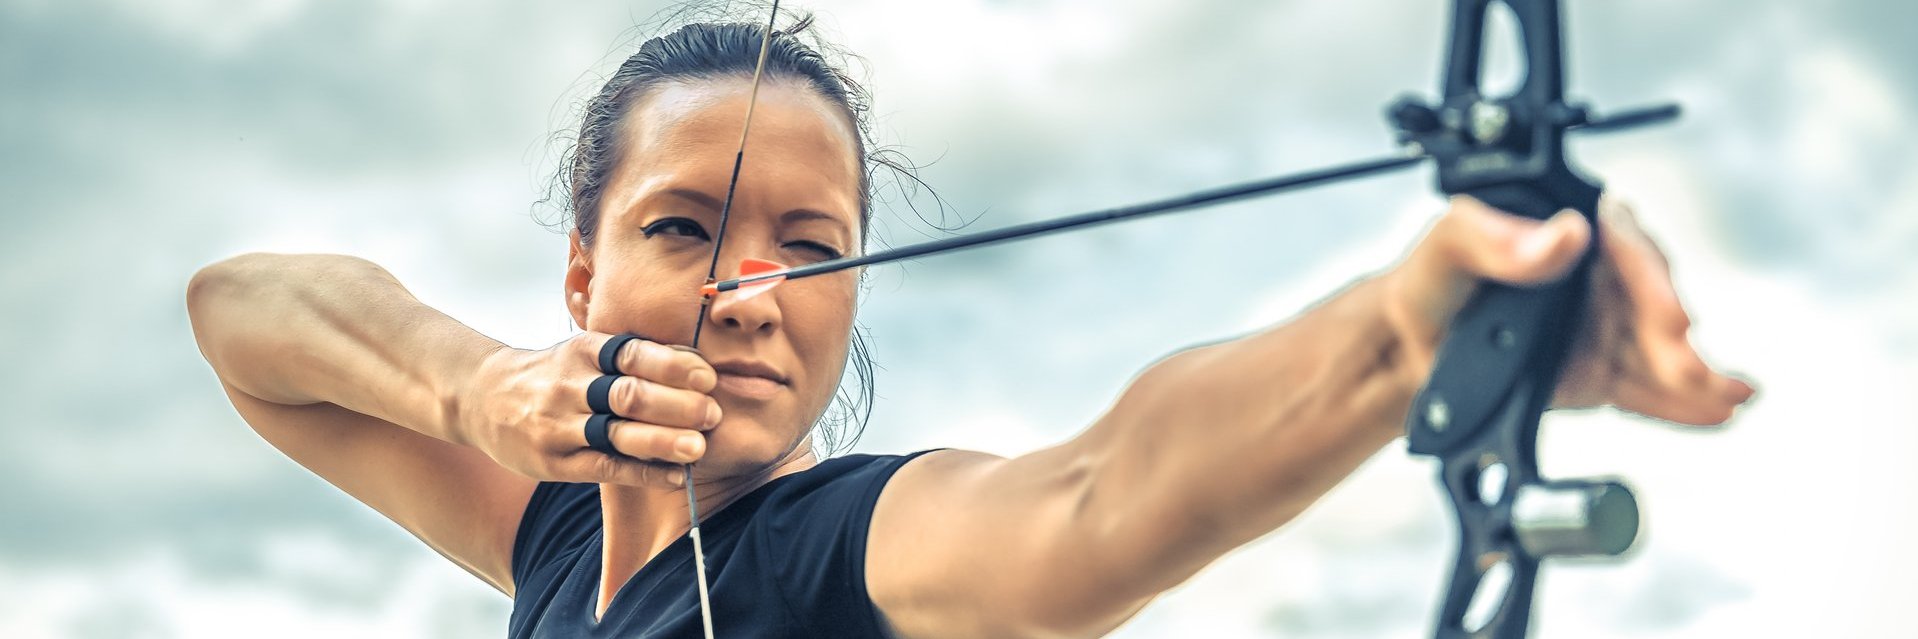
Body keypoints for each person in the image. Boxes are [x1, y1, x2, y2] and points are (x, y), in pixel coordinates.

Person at [185, 13, 1755, 639]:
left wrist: (1416, 326)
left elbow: (1102, 494)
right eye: (681, 228)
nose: (751, 295)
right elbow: (243, 324)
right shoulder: (546, 544)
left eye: (813, 247)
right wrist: (475, 390)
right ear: (581, 278)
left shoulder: (840, 551)